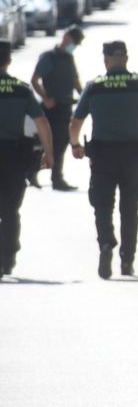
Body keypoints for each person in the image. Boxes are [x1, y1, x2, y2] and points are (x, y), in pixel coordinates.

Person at [69, 40, 138, 280]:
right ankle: (127, 260)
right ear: (126, 59)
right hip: (133, 154)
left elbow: (75, 122)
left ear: (106, 61)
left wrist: (75, 145)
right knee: (130, 208)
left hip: (103, 155)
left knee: (102, 205)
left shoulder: (94, 86)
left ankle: (106, 243)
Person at [0, 41, 52, 278]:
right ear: (9, 61)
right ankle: (7, 258)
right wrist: (49, 153)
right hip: (13, 156)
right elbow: (41, 122)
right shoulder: (21, 89)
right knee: (10, 210)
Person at [31, 26, 84, 191]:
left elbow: (75, 81)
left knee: (61, 144)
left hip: (65, 107)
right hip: (51, 109)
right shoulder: (49, 57)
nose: (74, 46)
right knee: (44, 143)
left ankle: (57, 179)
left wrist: (84, 97)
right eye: (74, 41)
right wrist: (45, 98)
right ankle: (32, 172)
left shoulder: (69, 58)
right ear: (66, 37)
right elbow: (35, 80)